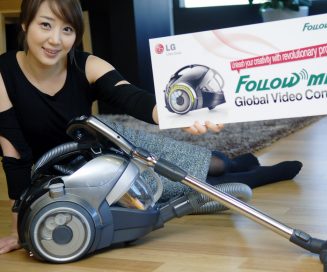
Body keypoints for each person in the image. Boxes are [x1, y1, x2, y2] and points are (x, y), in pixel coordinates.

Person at [0, 0, 302, 255]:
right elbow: (13, 151)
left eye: (67, 29)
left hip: (105, 141)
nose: (55, 40)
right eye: (45, 25)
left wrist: (179, 115)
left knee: (219, 164)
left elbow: (131, 97)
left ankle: (239, 163)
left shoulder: (84, 64)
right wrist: (21, 230)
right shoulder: (3, 74)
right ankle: (256, 174)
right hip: (71, 173)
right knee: (179, 189)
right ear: (25, 24)